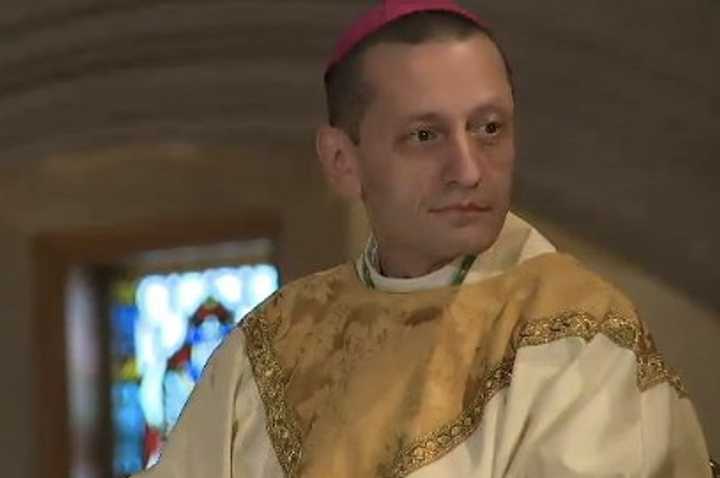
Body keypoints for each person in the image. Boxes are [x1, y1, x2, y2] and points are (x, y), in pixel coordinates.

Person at [135, 0, 713, 476]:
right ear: (342, 161)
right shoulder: (267, 346)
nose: (468, 168)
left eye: (489, 128)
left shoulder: (575, 337)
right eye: (424, 135)